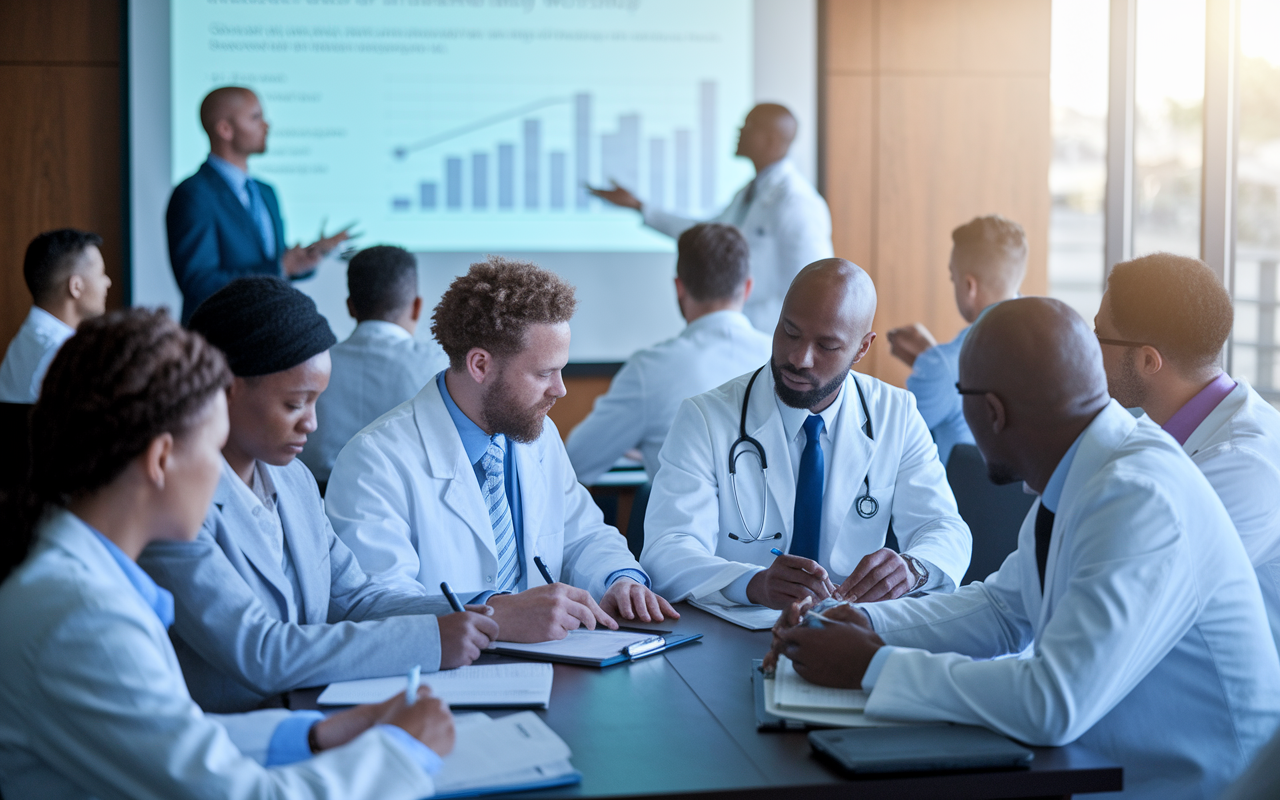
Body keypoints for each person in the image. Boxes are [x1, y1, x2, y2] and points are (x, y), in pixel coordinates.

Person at [769, 297, 1280, 800]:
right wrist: (855, 621)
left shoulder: (1137, 496)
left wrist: (871, 665)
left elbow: (1052, 703)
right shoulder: (1087, 470)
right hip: (1106, 769)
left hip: (1190, 789)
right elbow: (1002, 610)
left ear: (991, 411)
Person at [0, 307, 455, 800]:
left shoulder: (82, 582)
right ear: (160, 460)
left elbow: (176, 737)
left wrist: (315, 735)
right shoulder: (83, 617)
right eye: (215, 446)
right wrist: (401, 751)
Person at [139, 277, 497, 713]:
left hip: (310, 718)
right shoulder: (171, 506)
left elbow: (356, 599)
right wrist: (433, 639)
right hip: (233, 742)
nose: (311, 423)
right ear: (225, 390)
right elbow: (260, 650)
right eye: (295, 404)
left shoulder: (294, 481)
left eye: (316, 403)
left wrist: (484, 608)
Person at [326, 257, 679, 642]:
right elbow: (374, 603)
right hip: (439, 681)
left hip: (550, 666)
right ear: (480, 365)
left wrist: (619, 579)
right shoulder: (374, 461)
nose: (560, 389)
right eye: (544, 373)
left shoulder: (538, 435)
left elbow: (583, 534)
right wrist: (494, 610)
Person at [641, 258, 972, 609]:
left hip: (851, 631)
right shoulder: (706, 418)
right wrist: (753, 583)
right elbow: (667, 549)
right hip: (741, 625)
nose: (799, 359)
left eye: (827, 346)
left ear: (862, 348)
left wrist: (913, 568)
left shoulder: (896, 414)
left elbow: (944, 528)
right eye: (790, 332)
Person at [1096, 253, 1280, 649]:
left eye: (1099, 336)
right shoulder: (1165, 429)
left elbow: (1136, 595)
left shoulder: (1246, 467)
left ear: (1148, 360)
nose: (1090, 351)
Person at [590, 104, 832, 331]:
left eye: (748, 126)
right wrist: (640, 207)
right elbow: (706, 234)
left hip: (768, 339)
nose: (739, 131)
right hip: (742, 334)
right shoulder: (749, 192)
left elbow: (815, 285)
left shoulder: (797, 201)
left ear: (769, 140)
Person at [565, 223, 772, 485]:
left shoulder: (649, 371)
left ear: (679, 287)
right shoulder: (782, 360)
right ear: (748, 287)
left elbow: (573, 465)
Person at [166, 86, 351, 323]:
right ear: (225, 129)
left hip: (269, 333)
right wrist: (279, 267)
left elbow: (274, 262)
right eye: (255, 117)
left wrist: (305, 258)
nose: (267, 125)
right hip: (219, 342)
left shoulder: (266, 192)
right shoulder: (194, 194)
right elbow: (198, 283)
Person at [300, 245, 448, 486]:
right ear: (417, 307)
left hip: (319, 501)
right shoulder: (440, 366)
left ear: (350, 306)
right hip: (408, 502)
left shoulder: (311, 365)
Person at [885, 215, 1026, 464]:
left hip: (960, 502)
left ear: (970, 286)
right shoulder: (1048, 345)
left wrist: (934, 362)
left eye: (953, 278)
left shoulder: (944, 365)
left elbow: (887, 446)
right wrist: (934, 358)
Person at [0, 229, 111, 403]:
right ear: (76, 287)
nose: (107, 282)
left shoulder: (21, 345)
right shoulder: (64, 356)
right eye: (101, 273)